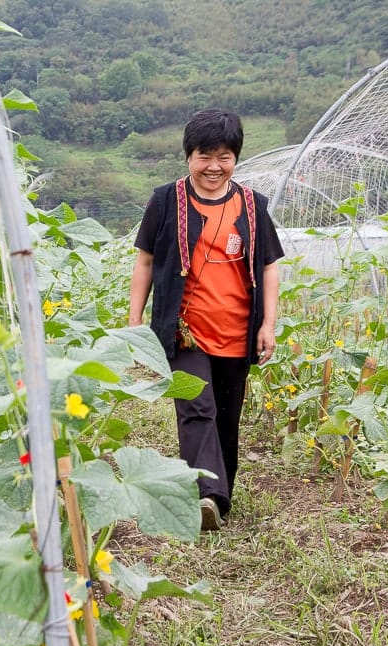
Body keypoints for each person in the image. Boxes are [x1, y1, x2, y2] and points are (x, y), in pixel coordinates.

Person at [128, 108, 284, 531]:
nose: (213, 167)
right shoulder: (165, 201)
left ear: (235, 158)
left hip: (237, 331)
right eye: (204, 156)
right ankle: (207, 496)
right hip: (186, 331)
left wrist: (268, 324)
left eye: (223, 156)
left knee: (226, 418)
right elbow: (145, 262)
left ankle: (220, 495)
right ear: (188, 157)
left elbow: (269, 266)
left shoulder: (253, 206)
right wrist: (134, 319)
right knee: (197, 408)